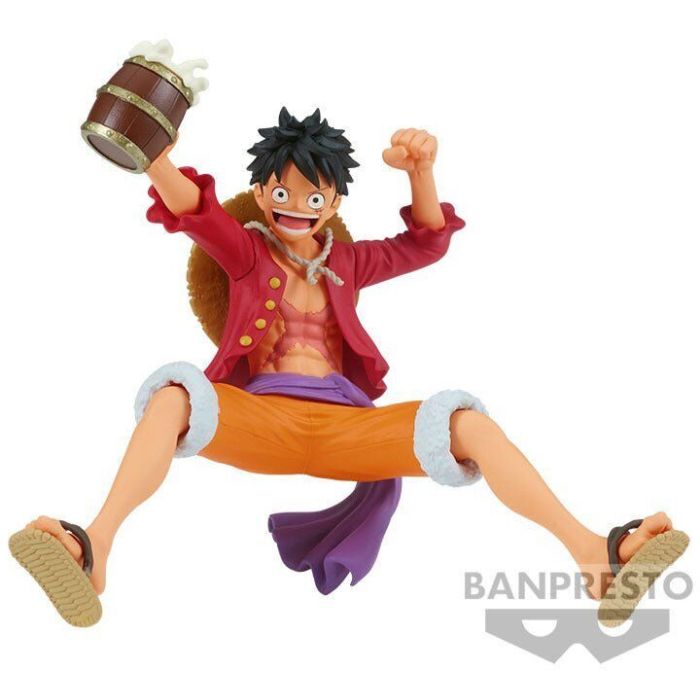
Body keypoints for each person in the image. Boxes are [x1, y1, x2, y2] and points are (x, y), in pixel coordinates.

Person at [10, 108, 688, 627]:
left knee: (465, 422)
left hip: (349, 431)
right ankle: (94, 549)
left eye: (313, 199)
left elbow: (426, 244)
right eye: (281, 192)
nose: (295, 208)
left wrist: (421, 173)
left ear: (334, 203)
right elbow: (195, 211)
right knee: (174, 393)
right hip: (261, 419)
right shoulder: (247, 252)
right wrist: (154, 155)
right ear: (261, 190)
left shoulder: (351, 263)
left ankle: (594, 557)